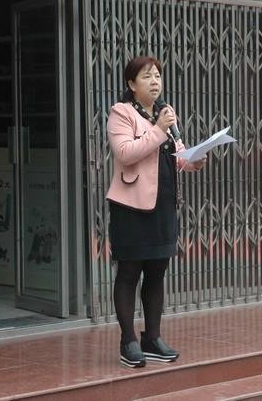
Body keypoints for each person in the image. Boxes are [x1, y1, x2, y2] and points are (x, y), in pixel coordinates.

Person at [106, 55, 206, 368]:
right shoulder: (121, 113)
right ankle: (128, 342)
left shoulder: (165, 113)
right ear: (131, 84)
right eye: (147, 76)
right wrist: (159, 129)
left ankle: (152, 338)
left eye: (158, 76)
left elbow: (177, 154)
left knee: (157, 272)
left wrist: (194, 160)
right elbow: (126, 153)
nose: (154, 82)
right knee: (129, 273)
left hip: (162, 205)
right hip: (130, 207)